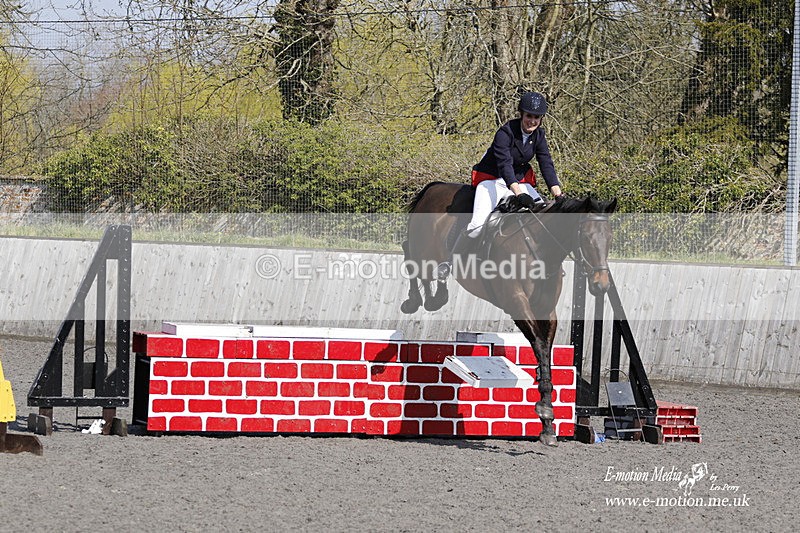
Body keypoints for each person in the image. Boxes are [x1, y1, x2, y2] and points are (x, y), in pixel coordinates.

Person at [437, 91, 564, 280]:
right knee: (477, 225)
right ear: (521, 114)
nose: (532, 121)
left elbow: (546, 163)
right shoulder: (505, 133)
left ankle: (544, 264)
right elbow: (505, 166)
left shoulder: (539, 135)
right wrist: (519, 194)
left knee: (541, 218)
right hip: (492, 181)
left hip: (518, 182)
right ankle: (449, 262)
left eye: (536, 117)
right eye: (529, 116)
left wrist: (558, 194)